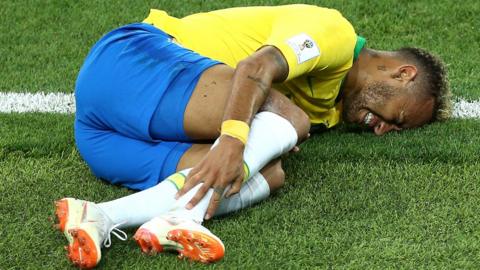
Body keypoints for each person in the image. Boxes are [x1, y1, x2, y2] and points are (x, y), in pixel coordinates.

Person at [55, 4, 450, 268]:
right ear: (402, 74)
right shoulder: (335, 35)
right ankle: (185, 215)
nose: (384, 129)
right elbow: (256, 66)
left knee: (269, 175)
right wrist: (232, 140)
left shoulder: (330, 110)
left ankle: (102, 216)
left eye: (393, 131)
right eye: (396, 117)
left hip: (102, 136)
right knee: (286, 117)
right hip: (129, 62)